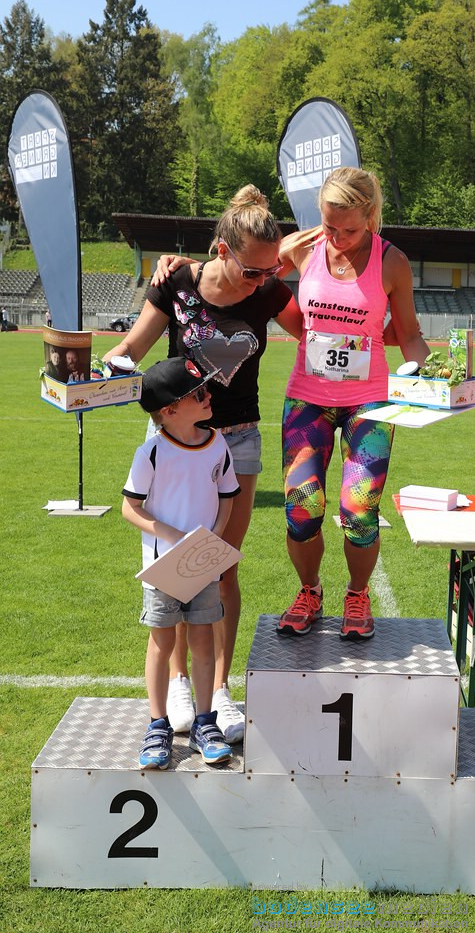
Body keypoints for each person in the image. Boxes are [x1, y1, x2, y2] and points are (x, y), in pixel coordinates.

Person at [105, 184, 302, 743]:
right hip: (171, 442)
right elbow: (131, 354)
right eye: (252, 271)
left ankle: (219, 690)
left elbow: (321, 335)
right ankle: (179, 685)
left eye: (270, 272)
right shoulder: (177, 282)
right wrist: (88, 374)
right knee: (174, 565)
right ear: (220, 251)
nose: (261, 282)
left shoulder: (269, 293)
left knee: (219, 567)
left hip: (237, 442)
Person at [276, 167, 429, 640]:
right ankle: (310, 591)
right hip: (308, 398)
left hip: (370, 403)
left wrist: (436, 375)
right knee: (302, 507)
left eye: (349, 229)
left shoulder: (393, 262)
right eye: (329, 227)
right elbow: (250, 282)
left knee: (359, 509)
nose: (338, 238)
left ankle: (358, 595)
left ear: (371, 216)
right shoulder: (301, 249)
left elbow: (410, 336)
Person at [122, 356, 240, 769]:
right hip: (164, 568)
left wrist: (215, 540)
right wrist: (168, 535)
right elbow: (129, 508)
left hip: (202, 563)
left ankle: (205, 724)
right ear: (170, 411)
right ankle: (158, 726)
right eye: (199, 393)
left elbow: (228, 497)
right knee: (162, 641)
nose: (209, 396)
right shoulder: (151, 452)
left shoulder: (217, 444)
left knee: (204, 638)